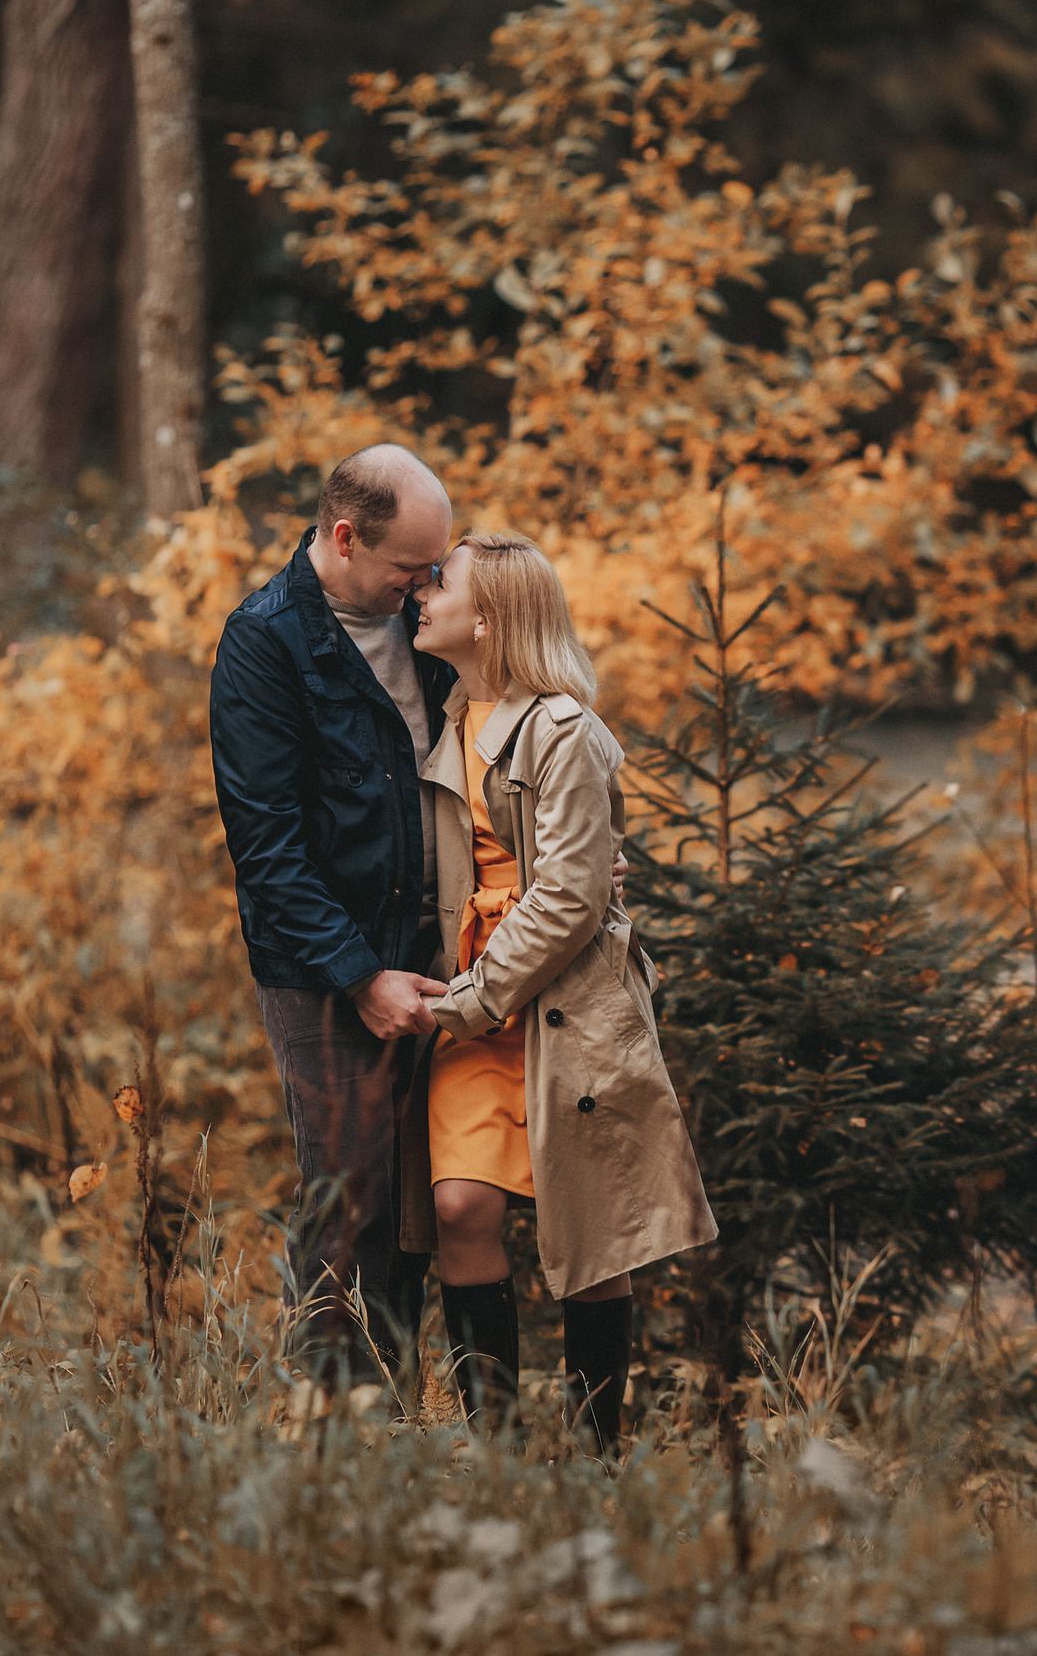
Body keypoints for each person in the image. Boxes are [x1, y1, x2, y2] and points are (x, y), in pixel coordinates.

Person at [407, 530, 717, 1446]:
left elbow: (574, 893)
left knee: (591, 1236)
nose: (423, 594)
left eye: (441, 582)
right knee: (462, 1205)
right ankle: (497, 1448)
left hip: (559, 1004)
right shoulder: (446, 719)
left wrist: (471, 998)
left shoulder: (561, 730)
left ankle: (595, 1449)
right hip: (473, 999)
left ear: (491, 614)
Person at [210, 444, 456, 1385]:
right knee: (346, 1194)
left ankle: (391, 1406)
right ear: (345, 538)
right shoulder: (267, 641)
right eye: (409, 568)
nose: (427, 585)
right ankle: (323, 1423)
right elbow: (267, 847)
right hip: (320, 969)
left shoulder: (432, 618)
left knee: (417, 1206)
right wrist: (360, 975)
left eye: (436, 567)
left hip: (435, 949)